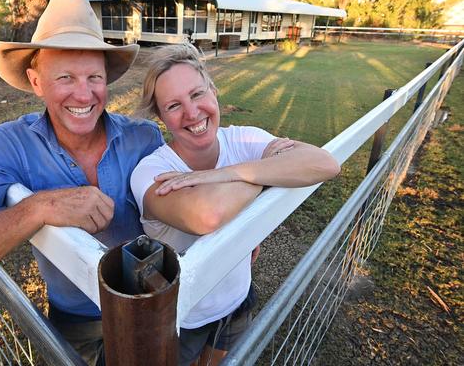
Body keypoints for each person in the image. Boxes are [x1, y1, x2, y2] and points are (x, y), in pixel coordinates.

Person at [0, 0, 164, 365]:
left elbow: (180, 198)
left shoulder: (145, 138)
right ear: (36, 82)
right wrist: (39, 206)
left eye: (94, 77)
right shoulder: (8, 145)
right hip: (75, 321)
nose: (83, 94)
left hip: (151, 305)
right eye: (65, 78)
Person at [130, 44, 340, 366]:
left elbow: (324, 163)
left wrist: (226, 174)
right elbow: (208, 214)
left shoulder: (241, 139)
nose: (192, 112)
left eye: (198, 94)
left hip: (236, 298)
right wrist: (270, 173)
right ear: (161, 117)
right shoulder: (151, 171)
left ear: (213, 92)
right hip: (180, 317)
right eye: (174, 105)